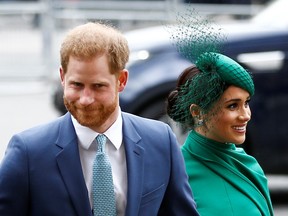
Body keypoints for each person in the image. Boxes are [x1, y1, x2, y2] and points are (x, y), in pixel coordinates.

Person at [0, 22, 199, 216]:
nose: (85, 99)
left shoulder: (161, 141)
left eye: (98, 86)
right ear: (62, 77)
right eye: (76, 85)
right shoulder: (28, 151)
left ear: (121, 80)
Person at [166, 52, 274, 215]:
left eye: (246, 103)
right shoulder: (177, 175)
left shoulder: (248, 164)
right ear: (197, 112)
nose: (245, 115)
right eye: (232, 106)